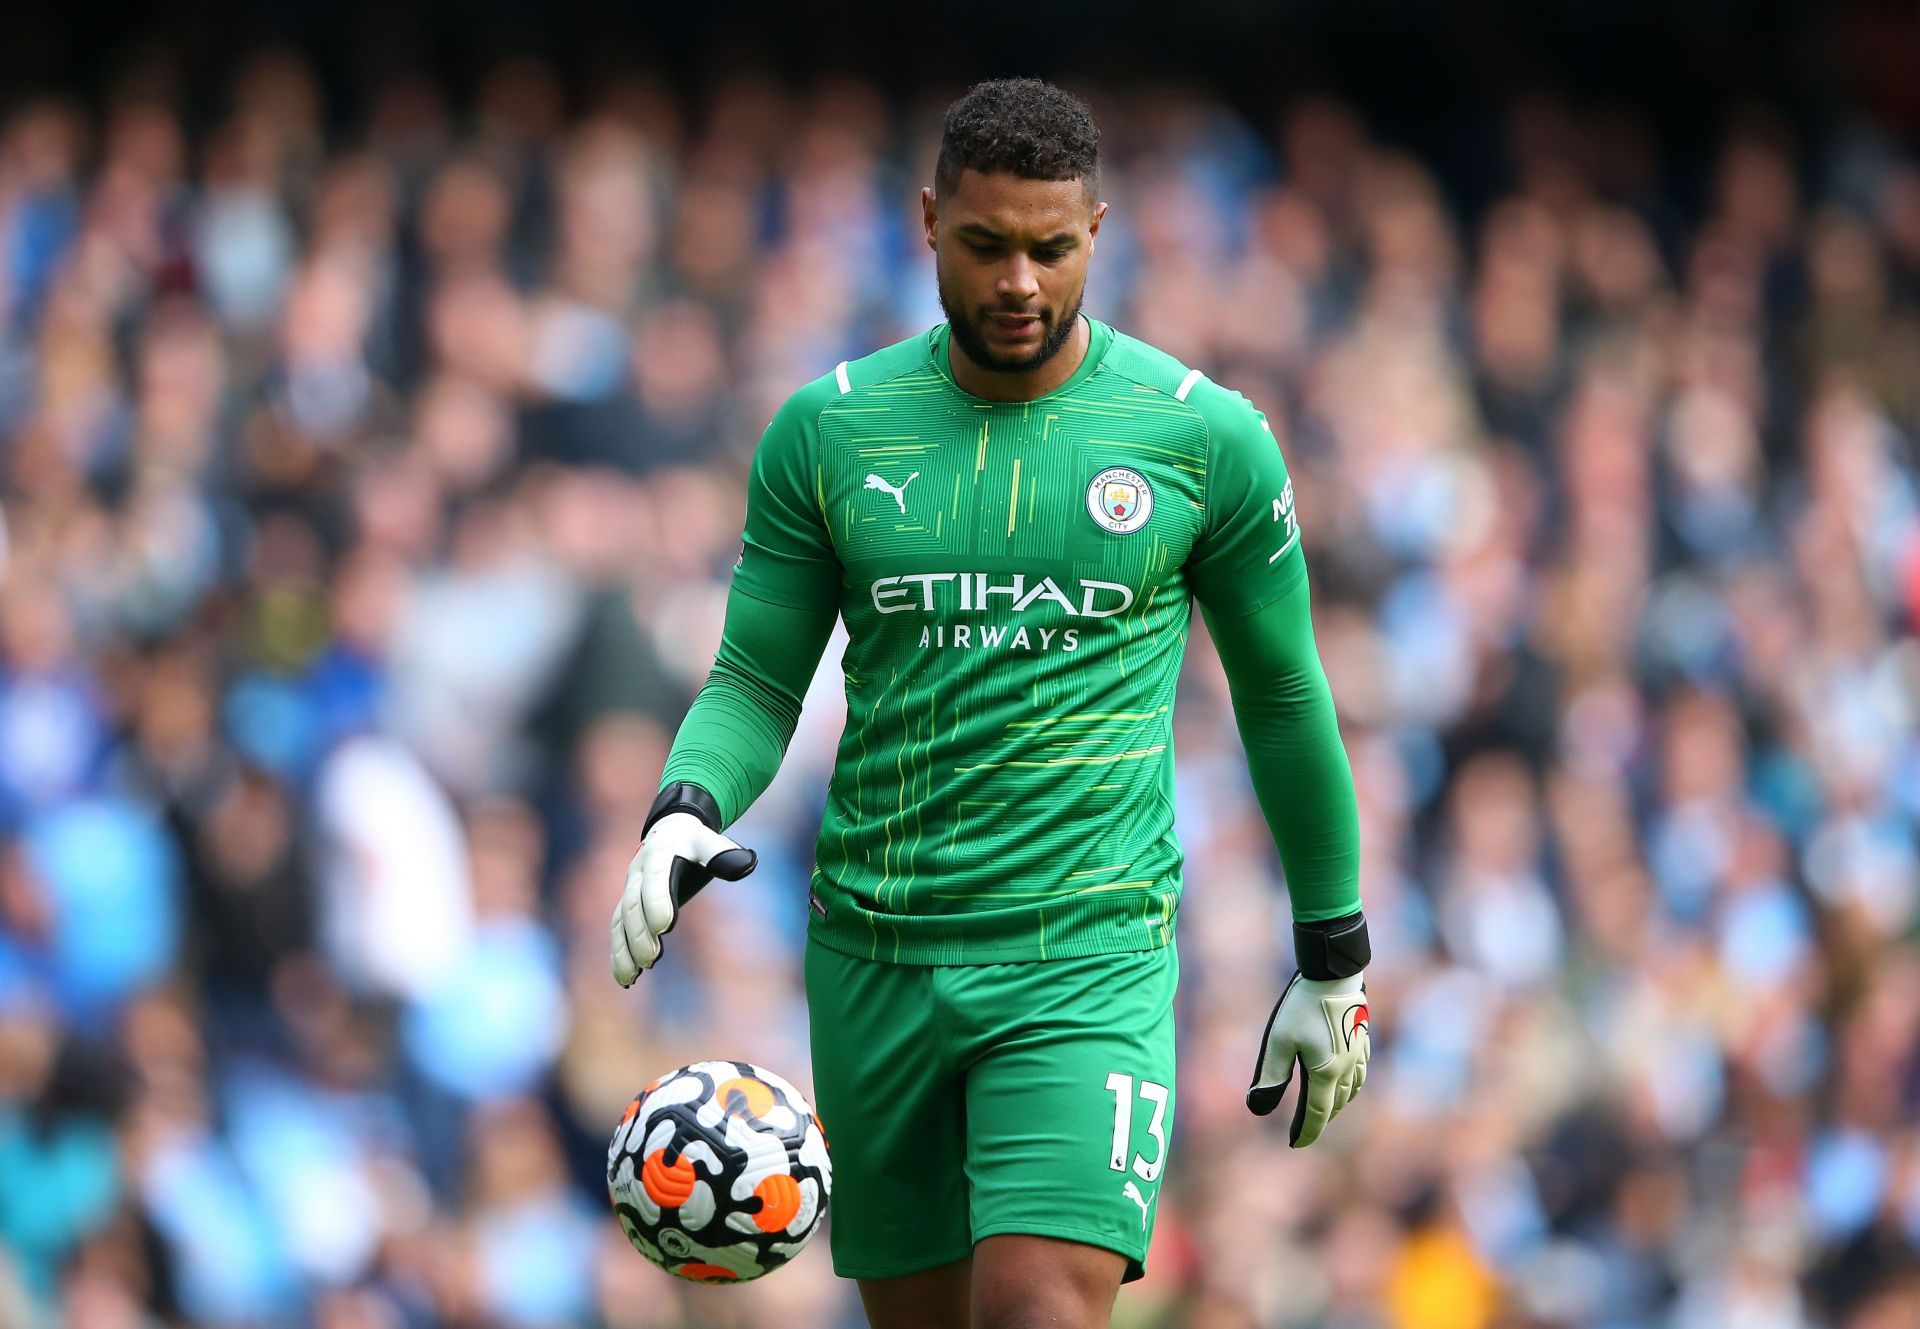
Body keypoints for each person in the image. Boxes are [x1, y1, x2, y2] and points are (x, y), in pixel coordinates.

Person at [610, 77, 1371, 1329]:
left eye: (1050, 248)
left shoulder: (1202, 440)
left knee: (1039, 1311)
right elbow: (755, 678)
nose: (1019, 280)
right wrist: (685, 806)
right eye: (985, 244)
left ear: (1097, 235)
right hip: (875, 958)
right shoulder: (829, 433)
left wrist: (1332, 955)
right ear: (926, 223)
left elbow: (1284, 694)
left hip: (1084, 955)